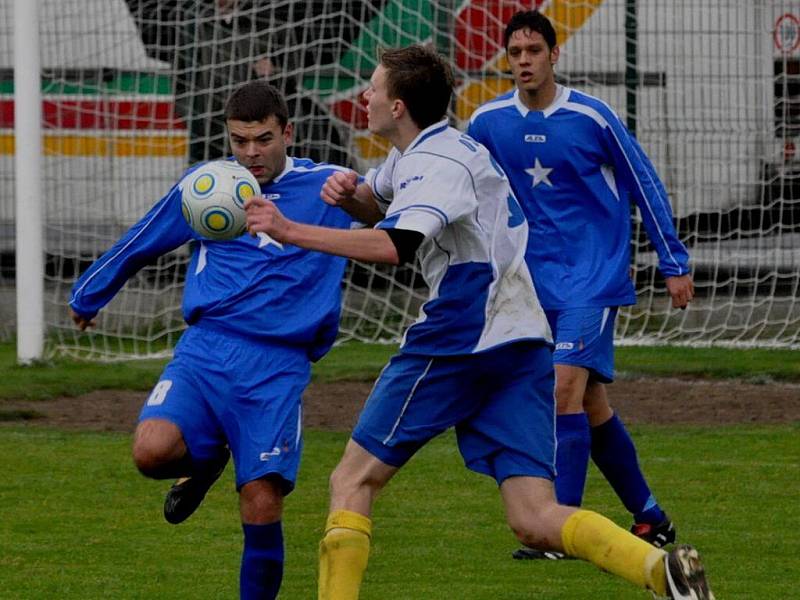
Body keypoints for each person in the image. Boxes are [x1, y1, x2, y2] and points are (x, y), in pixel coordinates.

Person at [244, 45, 713, 600]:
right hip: (522, 340)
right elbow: (382, 203)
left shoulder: (436, 165)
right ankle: (662, 573)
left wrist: (290, 229)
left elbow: (395, 243)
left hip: (461, 334)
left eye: (372, 88)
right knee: (535, 517)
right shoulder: (428, 149)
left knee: (351, 480)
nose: (364, 96)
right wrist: (352, 198)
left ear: (398, 106)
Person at [68, 81, 353, 599]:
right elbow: (143, 237)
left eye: (262, 139)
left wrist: (361, 194)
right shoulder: (208, 187)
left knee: (261, 501)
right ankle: (205, 462)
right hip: (204, 350)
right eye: (240, 140)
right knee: (151, 453)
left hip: (277, 364)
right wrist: (89, 294)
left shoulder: (328, 187)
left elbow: (395, 217)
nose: (251, 153)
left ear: (287, 132)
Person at [467, 10, 695, 560]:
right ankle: (650, 517)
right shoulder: (487, 121)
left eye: (533, 51)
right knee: (589, 402)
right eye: (515, 52)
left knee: (561, 388)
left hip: (593, 276)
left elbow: (643, 181)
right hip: (531, 282)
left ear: (553, 55)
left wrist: (673, 260)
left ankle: (556, 531)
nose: (523, 61)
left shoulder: (592, 117)